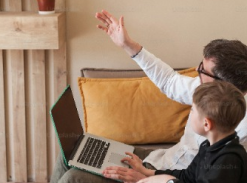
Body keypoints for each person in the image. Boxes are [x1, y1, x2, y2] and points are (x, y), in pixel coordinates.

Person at [50, 10, 247, 183]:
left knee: (73, 178)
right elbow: (169, 81)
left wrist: (151, 179)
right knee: (73, 151)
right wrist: (127, 45)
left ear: (223, 85)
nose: (197, 70)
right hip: (157, 162)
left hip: (160, 177)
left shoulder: (235, 138)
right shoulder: (207, 92)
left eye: (203, 69)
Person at [107, 81, 247, 183]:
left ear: (206, 124)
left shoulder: (228, 161)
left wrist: (167, 181)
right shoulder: (209, 146)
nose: (189, 114)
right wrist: (148, 172)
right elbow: (188, 176)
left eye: (192, 110)